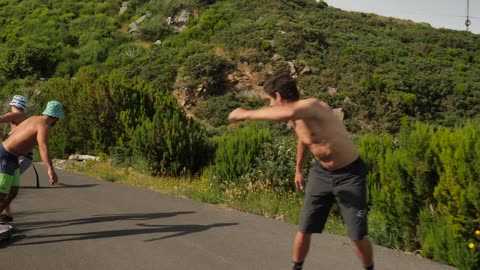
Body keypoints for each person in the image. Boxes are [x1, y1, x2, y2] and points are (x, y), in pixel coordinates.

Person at [228, 72, 374, 270]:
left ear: (279, 96)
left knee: (357, 235)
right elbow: (304, 139)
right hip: (321, 173)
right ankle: (296, 268)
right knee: (305, 228)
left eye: (270, 100)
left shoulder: (312, 105)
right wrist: (298, 169)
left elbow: (285, 113)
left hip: (349, 175)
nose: (270, 105)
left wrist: (245, 113)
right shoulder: (297, 118)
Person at [0, 100, 64, 223]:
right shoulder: (44, 125)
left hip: (12, 156)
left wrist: (21, 143)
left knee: (13, 192)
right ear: (56, 117)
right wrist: (50, 169)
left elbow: (12, 132)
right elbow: (42, 147)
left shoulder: (34, 118)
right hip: (6, 156)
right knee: (2, 194)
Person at [0, 95, 34, 223]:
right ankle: (6, 214)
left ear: (14, 105)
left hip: (18, 157)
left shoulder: (14, 115)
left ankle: (5, 214)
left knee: (4, 187)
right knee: (8, 187)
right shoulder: (26, 119)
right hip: (25, 158)